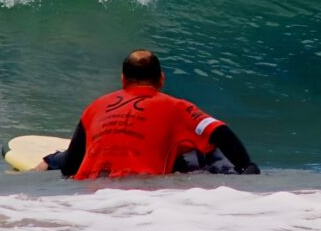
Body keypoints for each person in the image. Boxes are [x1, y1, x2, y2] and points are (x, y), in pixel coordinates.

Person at [50, 49, 259, 179]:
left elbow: (69, 168)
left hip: (91, 194)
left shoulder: (94, 107)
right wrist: (248, 167)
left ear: (123, 79)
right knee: (206, 152)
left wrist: (58, 161)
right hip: (142, 189)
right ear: (161, 79)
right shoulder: (176, 107)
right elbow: (219, 131)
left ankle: (50, 159)